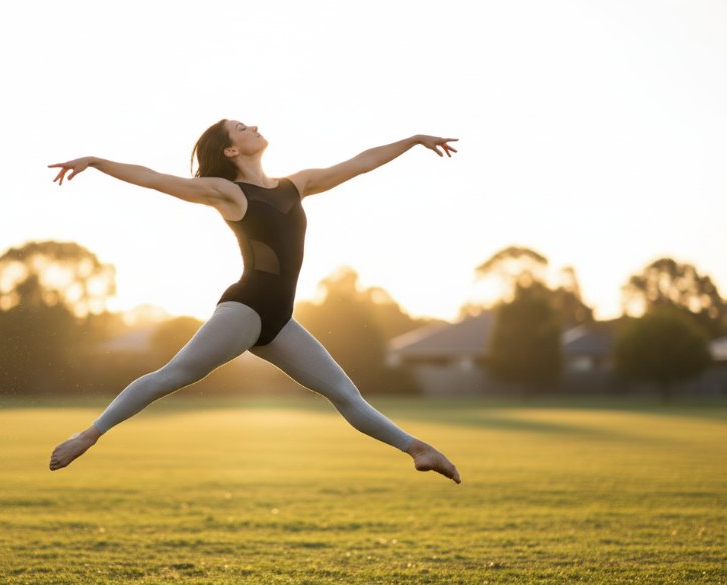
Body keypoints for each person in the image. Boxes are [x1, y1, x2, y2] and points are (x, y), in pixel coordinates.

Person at [47, 119, 461, 483]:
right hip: (244, 308)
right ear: (231, 150)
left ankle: (417, 449)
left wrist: (412, 140)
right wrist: (96, 161)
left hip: (279, 320)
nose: (254, 126)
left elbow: (361, 161)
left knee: (345, 394)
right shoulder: (227, 192)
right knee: (172, 376)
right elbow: (153, 178)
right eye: (242, 128)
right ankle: (89, 434)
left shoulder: (295, 185)